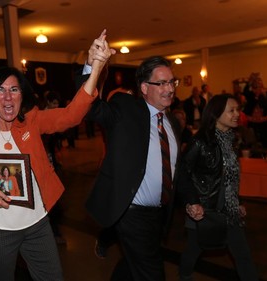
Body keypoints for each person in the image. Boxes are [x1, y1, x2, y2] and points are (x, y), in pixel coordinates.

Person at [0, 30, 114, 281]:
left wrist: (95, 67)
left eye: (14, 90)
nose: (8, 97)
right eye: (0, 90)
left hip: (37, 224)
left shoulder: (31, 121)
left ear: (23, 96)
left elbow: (71, 115)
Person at [84, 56, 181, 280]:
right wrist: (93, 66)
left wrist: (192, 198)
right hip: (132, 211)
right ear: (145, 87)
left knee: (134, 261)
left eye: (172, 82)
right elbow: (91, 109)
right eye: (162, 83)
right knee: (152, 271)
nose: (169, 89)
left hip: (159, 213)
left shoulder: (172, 122)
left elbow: (177, 167)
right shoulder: (126, 108)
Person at [177, 94, 259, 281]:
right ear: (216, 114)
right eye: (231, 110)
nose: (237, 114)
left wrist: (236, 202)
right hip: (203, 209)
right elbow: (182, 174)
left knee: (243, 255)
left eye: (238, 109)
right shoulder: (199, 141)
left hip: (228, 210)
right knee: (193, 250)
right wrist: (192, 202)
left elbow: (229, 179)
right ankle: (185, 275)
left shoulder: (231, 140)